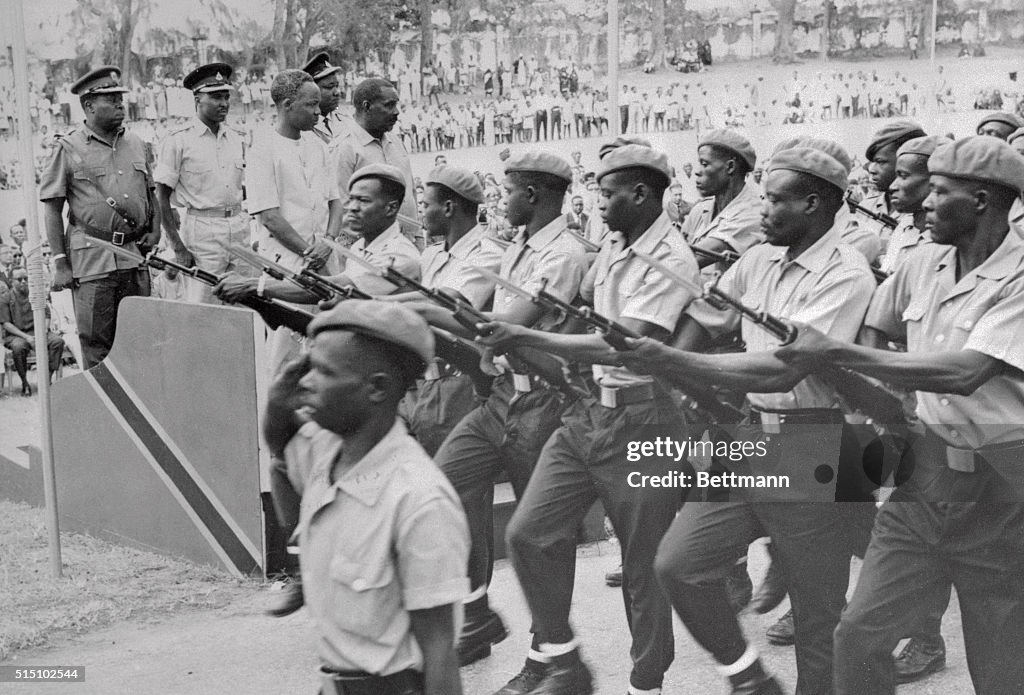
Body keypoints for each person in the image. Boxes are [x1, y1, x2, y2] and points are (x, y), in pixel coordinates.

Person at [776, 136, 1024, 695]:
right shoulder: (919, 263)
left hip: (1002, 484)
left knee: (1001, 662)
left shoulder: (1020, 276)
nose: (924, 203)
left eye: (939, 191)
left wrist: (833, 353)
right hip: (926, 473)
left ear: (982, 200)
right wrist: (888, 394)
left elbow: (965, 371)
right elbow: (876, 328)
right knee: (859, 635)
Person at [625, 146, 876, 695]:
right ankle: (747, 676)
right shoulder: (761, 257)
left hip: (819, 443)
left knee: (817, 616)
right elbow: (710, 312)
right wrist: (669, 361)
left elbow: (783, 370)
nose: (760, 210)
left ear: (813, 203)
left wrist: (674, 361)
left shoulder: (846, 273)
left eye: (774, 199)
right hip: (750, 436)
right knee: (677, 564)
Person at [478, 144, 699, 695]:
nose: (597, 203)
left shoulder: (670, 258)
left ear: (641, 194)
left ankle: (646, 681)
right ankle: (562, 657)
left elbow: (626, 345)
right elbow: (583, 321)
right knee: (528, 534)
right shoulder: (612, 248)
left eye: (607, 193)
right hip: (588, 414)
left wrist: (525, 336)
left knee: (642, 568)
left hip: (645, 420)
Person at [409, 152, 588, 676]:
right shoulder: (521, 248)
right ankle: (479, 612)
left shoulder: (563, 255)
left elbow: (511, 324)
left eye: (508, 191)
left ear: (531, 196)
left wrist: (426, 310)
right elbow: (494, 339)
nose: (499, 201)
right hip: (503, 397)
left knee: (541, 536)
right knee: (440, 490)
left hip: (542, 403)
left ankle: (547, 653)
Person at [263, 300, 469, 695]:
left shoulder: (419, 500)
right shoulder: (326, 451)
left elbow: (440, 650)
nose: (304, 382)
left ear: (376, 387)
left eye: (322, 372)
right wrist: (277, 400)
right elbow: (281, 444)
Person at [40, 66, 158, 370]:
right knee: (97, 347)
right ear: (89, 105)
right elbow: (52, 208)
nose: (121, 104)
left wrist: (155, 231)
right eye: (111, 99)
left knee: (140, 341)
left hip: (134, 259)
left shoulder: (137, 144)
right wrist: (59, 262)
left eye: (120, 97)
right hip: (92, 263)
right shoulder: (67, 148)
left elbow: (151, 192)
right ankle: (103, 415)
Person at [154, 63, 250, 304]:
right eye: (216, 97)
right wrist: (177, 247)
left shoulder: (236, 138)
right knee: (204, 303)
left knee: (246, 304)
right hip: (203, 229)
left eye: (226, 96)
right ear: (197, 99)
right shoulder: (179, 140)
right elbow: (161, 197)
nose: (224, 103)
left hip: (239, 227)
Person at [333, 78, 419, 241]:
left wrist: (418, 236)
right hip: (372, 250)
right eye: (389, 105)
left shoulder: (396, 141)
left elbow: (410, 192)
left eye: (396, 104)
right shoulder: (345, 148)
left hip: (409, 243)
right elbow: (342, 208)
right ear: (367, 107)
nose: (396, 112)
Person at [679, 130, 763, 280]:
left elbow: (682, 262)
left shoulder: (753, 214)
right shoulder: (700, 210)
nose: (697, 172)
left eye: (705, 164)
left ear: (730, 167)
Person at [855, 120, 926, 260]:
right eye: (872, 162)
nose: (872, 169)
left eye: (881, 162)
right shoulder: (866, 206)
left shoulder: (923, 213)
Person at [1, 268, 65, 396]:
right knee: (18, 347)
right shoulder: (6, 298)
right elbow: (6, 324)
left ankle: (47, 378)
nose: (23, 282)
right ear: (11, 281)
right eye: (19, 280)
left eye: (26, 278)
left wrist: (44, 330)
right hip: (16, 335)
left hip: (38, 331)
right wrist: (26, 337)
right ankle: (25, 382)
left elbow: (47, 314)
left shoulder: (36, 294)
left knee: (57, 341)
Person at [301, 52, 345, 143]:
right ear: (311, 90)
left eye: (337, 86)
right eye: (329, 87)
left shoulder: (345, 117)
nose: (337, 92)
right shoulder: (303, 126)